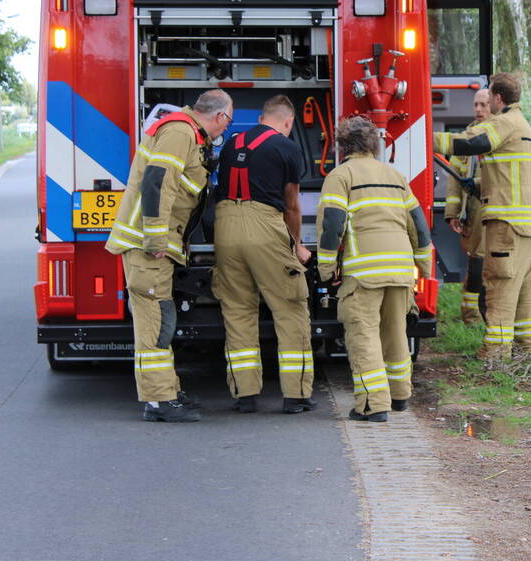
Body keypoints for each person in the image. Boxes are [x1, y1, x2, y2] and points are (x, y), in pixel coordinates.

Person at [106, 89, 233, 422]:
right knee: (154, 324)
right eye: (228, 121)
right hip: (148, 248)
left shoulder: (186, 134)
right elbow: (157, 183)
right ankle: (159, 401)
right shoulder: (179, 132)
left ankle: (167, 392)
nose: (225, 129)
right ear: (220, 117)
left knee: (162, 319)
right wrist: (156, 237)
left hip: (155, 247)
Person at [315, 117, 432, 422]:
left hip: (364, 273)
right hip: (401, 270)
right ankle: (400, 395)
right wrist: (423, 264)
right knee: (395, 331)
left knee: (363, 334)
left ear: (343, 146)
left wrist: (326, 268)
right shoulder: (396, 176)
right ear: (373, 145)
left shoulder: (340, 176)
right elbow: (418, 225)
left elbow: (332, 226)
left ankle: (372, 404)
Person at [212, 95, 316, 414]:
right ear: (288, 122)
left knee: (238, 310)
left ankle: (244, 395)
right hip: (264, 225)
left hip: (225, 225)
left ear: (261, 117)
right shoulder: (287, 147)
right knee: (290, 307)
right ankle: (295, 395)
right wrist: (296, 244)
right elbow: (292, 205)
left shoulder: (231, 144)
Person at [432, 73, 531, 365]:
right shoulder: (522, 124)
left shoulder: (503, 122)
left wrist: (424, 138)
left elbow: (474, 142)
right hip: (529, 225)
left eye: (488, 98)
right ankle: (527, 351)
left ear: (497, 98)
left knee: (499, 287)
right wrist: (479, 187)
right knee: (523, 292)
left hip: (508, 223)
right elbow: (513, 176)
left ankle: (494, 356)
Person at [443, 87, 490, 324]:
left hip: (493, 210)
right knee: (475, 261)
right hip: (471, 211)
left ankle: (485, 313)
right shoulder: (466, 137)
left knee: (486, 264)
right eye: (475, 105)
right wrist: (453, 212)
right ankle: (471, 316)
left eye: (484, 104)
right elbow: (454, 178)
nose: (479, 109)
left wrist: (478, 183)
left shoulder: (498, 135)